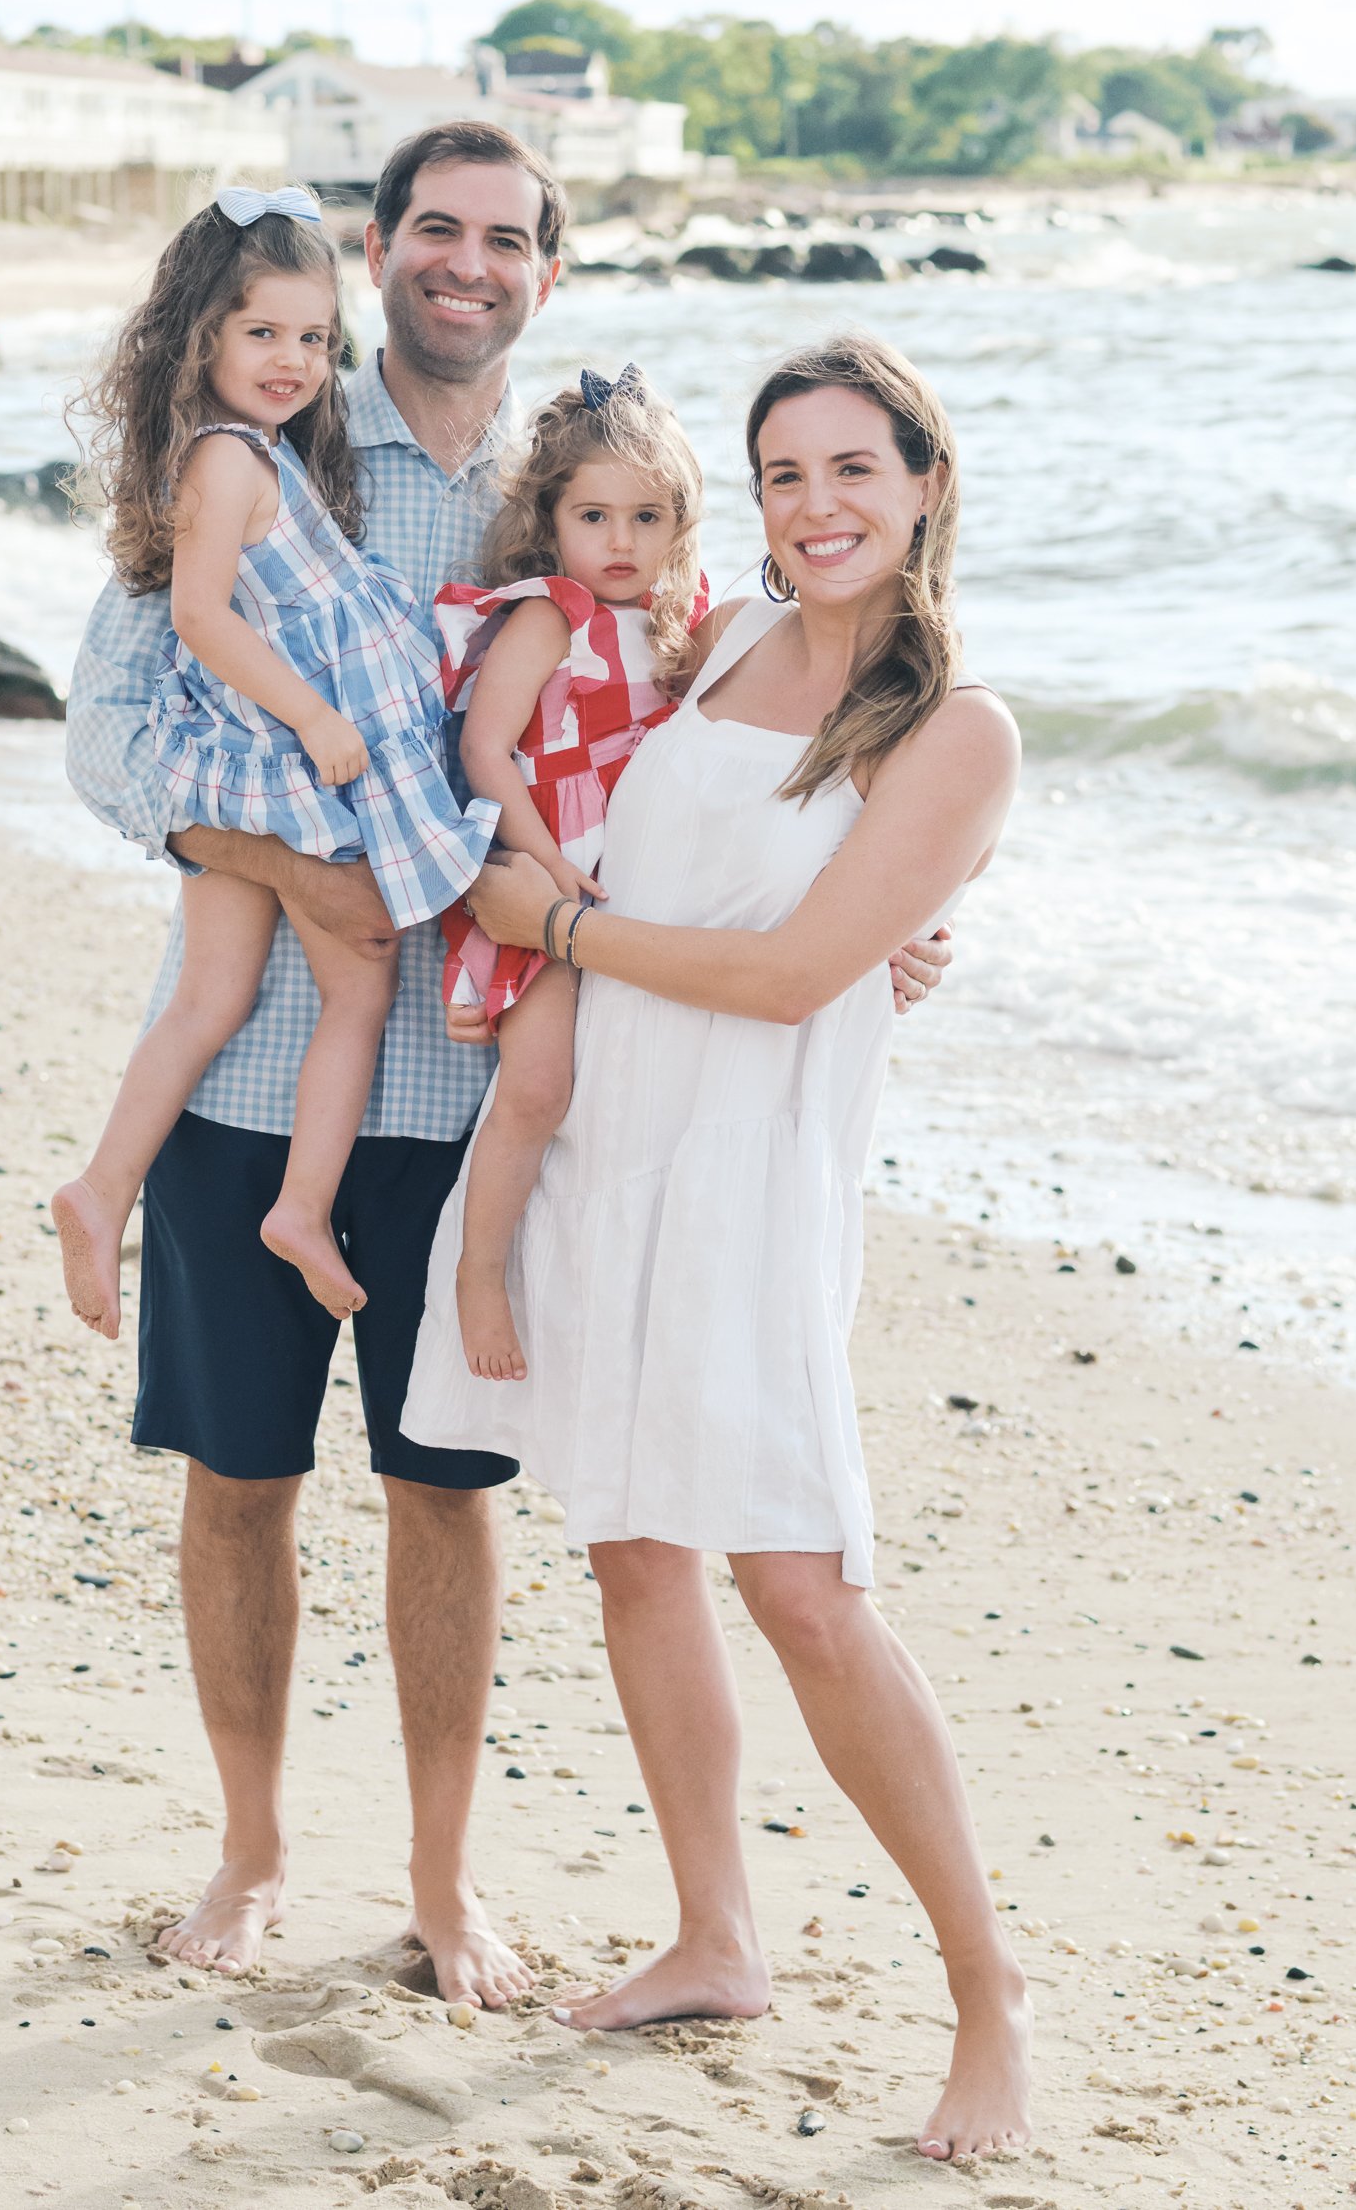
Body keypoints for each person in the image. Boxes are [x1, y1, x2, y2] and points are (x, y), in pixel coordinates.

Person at [61, 124, 956, 2010]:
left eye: (509, 239)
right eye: (437, 231)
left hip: (489, 1107)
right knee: (236, 1478)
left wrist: (885, 924)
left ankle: (444, 1887)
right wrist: (310, 875)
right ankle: (249, 1851)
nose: (468, 264)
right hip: (267, 1073)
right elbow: (113, 737)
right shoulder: (273, 429)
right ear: (384, 249)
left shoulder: (587, 494)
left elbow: (731, 756)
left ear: (551, 267)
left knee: (441, 1493)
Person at [404, 332, 1031, 2160]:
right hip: (607, 1139)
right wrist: (564, 923)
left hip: (749, 1183)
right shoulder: (733, 638)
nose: (817, 506)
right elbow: (644, 828)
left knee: (805, 1586)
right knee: (633, 1548)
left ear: (925, 481)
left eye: (854, 468)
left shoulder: (956, 728)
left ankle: (986, 1995)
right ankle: (715, 1933)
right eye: (783, 474)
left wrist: (561, 931)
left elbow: (778, 977)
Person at [51, 185, 495, 1338]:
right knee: (360, 975)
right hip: (269, 759)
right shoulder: (228, 461)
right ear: (201, 338)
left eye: (313, 337)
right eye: (264, 334)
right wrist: (316, 718)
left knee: (214, 996)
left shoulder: (259, 449)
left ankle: (102, 1190)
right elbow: (200, 617)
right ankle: (297, 1205)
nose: (295, 360)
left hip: (247, 752)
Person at [435, 363, 706, 1379]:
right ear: (552, 521)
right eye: (596, 515)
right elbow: (486, 750)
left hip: (640, 903)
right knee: (540, 1087)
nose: (623, 542)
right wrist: (546, 868)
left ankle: (620, 1308)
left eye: (649, 515)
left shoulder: (689, 624)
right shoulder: (552, 612)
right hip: (539, 891)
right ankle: (479, 1270)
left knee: (632, 1109)